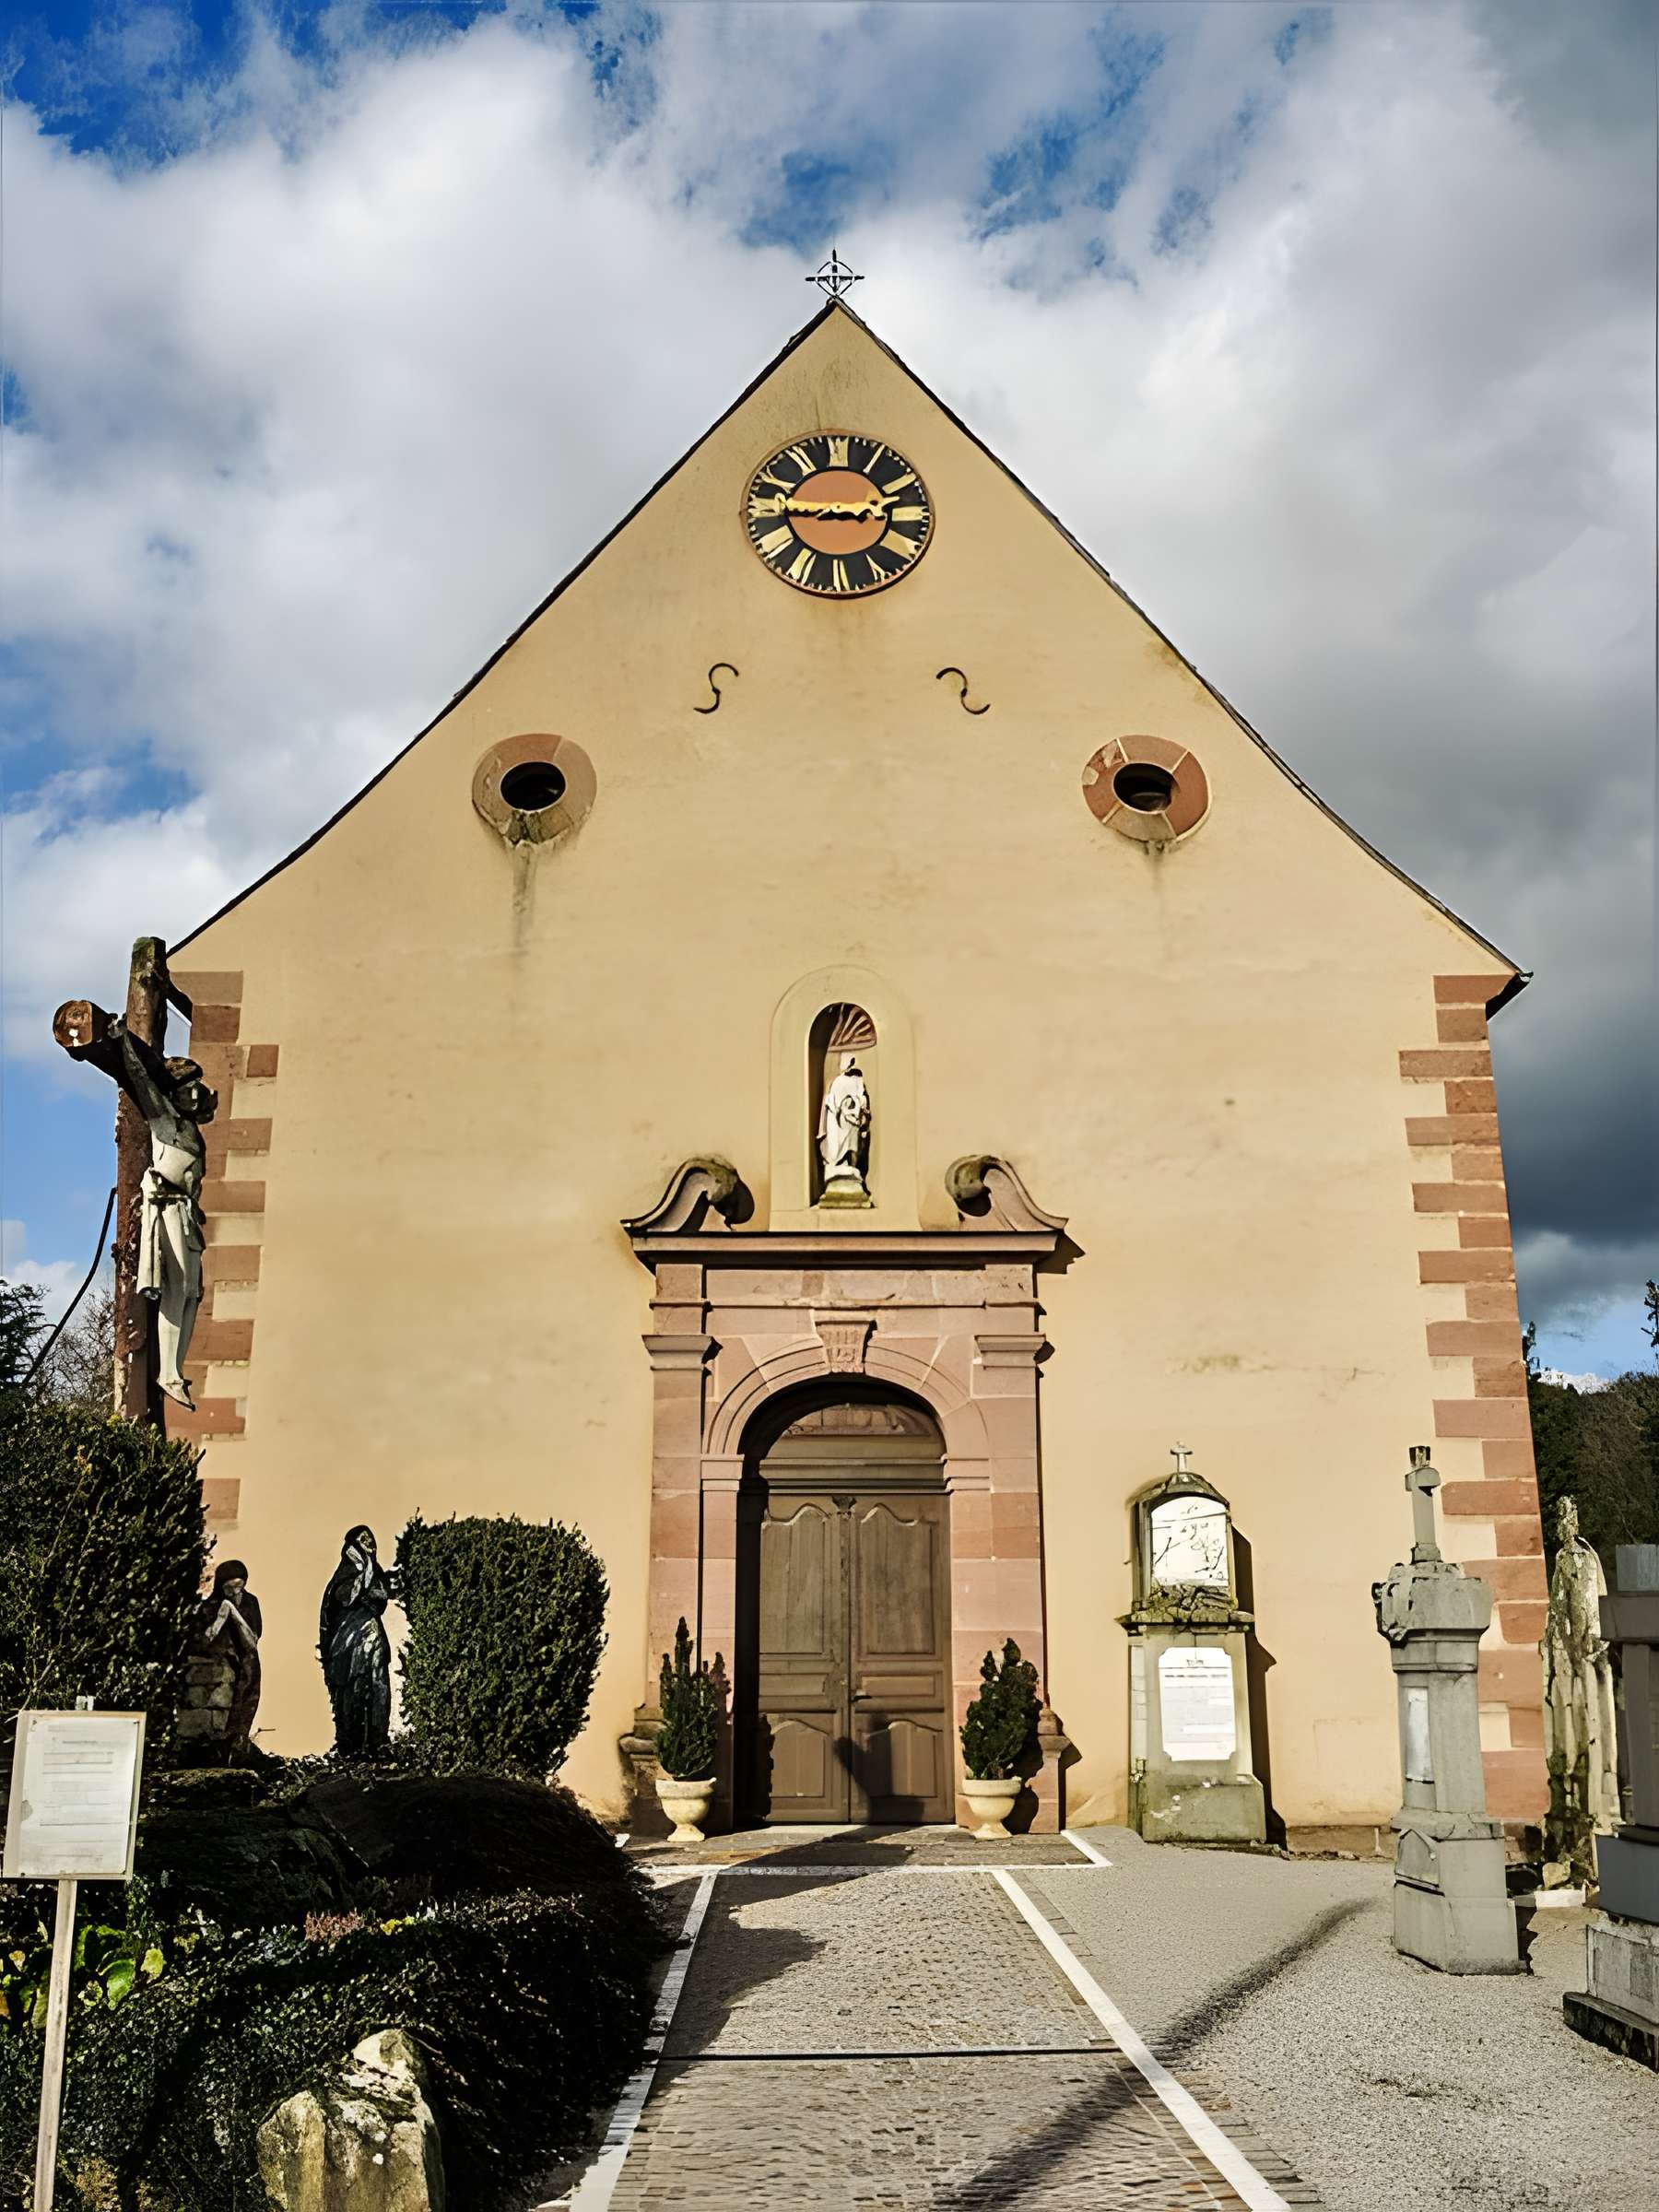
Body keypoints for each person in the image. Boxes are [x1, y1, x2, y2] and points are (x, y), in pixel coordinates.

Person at [319, 1526, 401, 1759]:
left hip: (372, 1635)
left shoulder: (375, 1573)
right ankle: (351, 1744)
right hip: (346, 1641)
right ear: (353, 1546)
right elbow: (347, 1597)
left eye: (371, 1538)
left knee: (377, 1686)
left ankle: (377, 1741)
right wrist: (362, 1571)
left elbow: (384, 1592)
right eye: (363, 1539)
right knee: (351, 1690)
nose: (370, 1542)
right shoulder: (345, 1574)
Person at [198, 1558, 263, 1757]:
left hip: (247, 1662)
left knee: (246, 1698)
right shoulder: (211, 1606)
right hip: (220, 1665)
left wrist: (232, 1612)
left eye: (239, 1586)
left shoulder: (250, 1602)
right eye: (229, 1588)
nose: (235, 1592)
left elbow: (253, 1640)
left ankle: (239, 1743)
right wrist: (221, 1615)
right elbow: (205, 1640)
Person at [818, 1053, 871, 1187]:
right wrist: (840, 1108)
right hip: (838, 1121)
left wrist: (856, 1104)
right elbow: (832, 1103)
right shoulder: (838, 1081)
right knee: (836, 1146)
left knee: (852, 1146)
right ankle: (836, 1165)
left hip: (852, 1121)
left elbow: (861, 1097)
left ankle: (851, 1166)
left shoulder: (857, 1079)